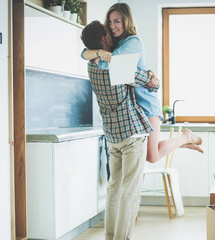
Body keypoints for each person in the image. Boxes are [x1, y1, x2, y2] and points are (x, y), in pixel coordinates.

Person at [81, 3, 203, 164]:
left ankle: (185, 137)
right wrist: (98, 52)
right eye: (109, 22)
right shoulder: (116, 44)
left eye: (117, 21)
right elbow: (83, 53)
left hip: (145, 101)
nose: (112, 26)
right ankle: (184, 141)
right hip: (133, 106)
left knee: (151, 156)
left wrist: (98, 55)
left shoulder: (133, 41)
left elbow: (109, 65)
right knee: (148, 152)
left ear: (126, 21)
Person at [81, 20, 159, 240]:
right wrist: (152, 77)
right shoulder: (115, 66)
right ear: (104, 40)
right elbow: (148, 82)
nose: (112, 32)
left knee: (114, 188)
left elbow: (86, 54)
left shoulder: (92, 66)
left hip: (112, 136)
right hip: (132, 133)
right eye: (108, 31)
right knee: (130, 190)